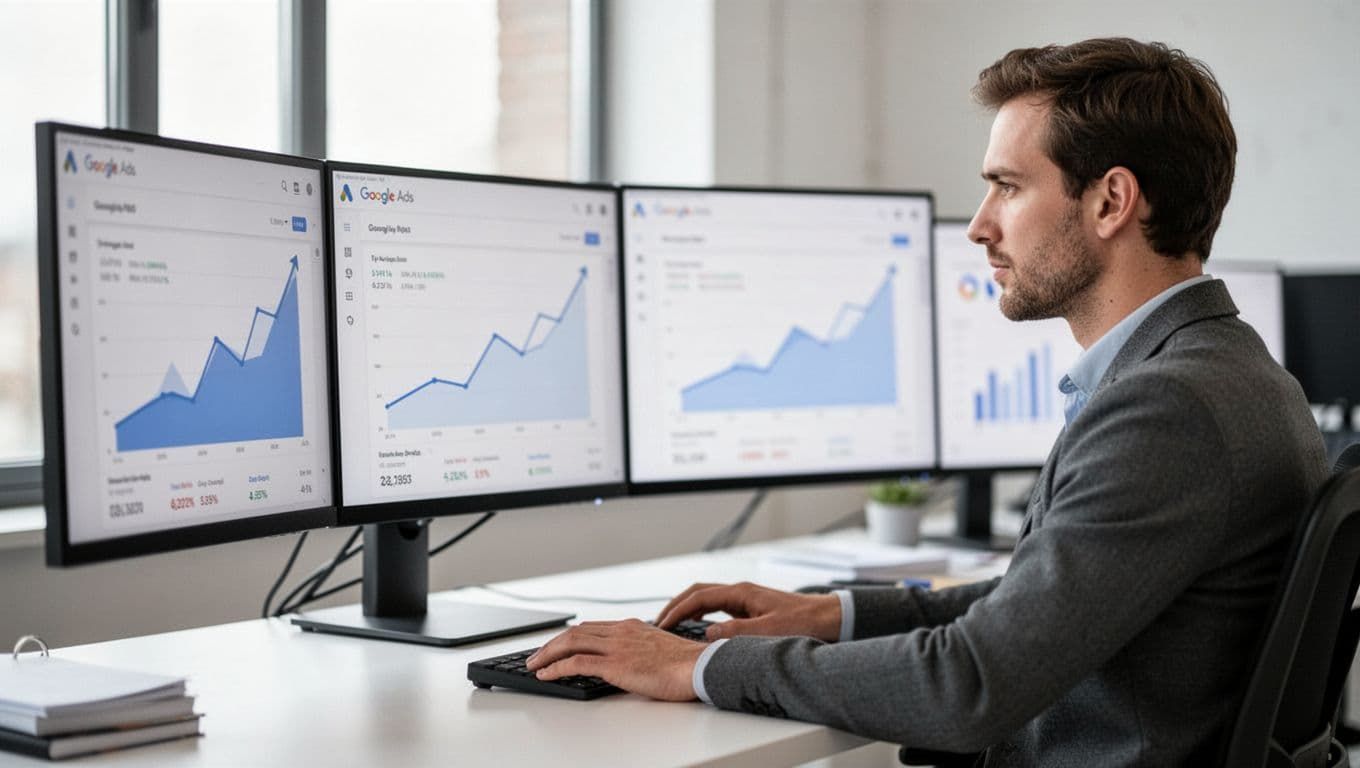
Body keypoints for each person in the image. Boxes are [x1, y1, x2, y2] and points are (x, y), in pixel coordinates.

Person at [526, 37, 1329, 765]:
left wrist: (698, 664)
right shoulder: (1235, 372)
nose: (980, 225)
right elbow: (1037, 611)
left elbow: (969, 685)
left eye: (1008, 188)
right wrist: (831, 616)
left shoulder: (1168, 408)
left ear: (1111, 201)